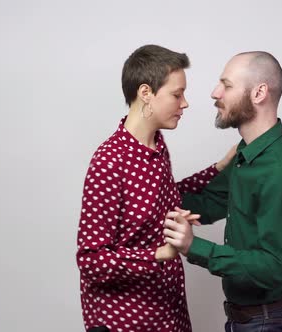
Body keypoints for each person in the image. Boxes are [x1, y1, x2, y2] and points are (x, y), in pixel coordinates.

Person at [75, 44, 233, 332]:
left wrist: (219, 167)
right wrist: (159, 254)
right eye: (177, 94)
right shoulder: (110, 162)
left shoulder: (156, 145)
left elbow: (165, 195)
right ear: (145, 92)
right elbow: (91, 260)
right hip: (125, 321)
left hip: (167, 314)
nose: (184, 103)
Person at [163, 51, 282, 332]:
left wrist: (193, 246)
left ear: (259, 93)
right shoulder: (246, 154)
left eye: (227, 85)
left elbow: (273, 267)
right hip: (245, 320)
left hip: (267, 322)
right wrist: (145, 191)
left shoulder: (281, 171)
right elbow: (207, 202)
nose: (214, 92)